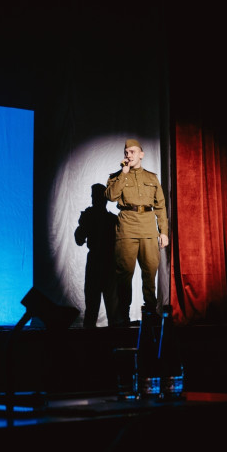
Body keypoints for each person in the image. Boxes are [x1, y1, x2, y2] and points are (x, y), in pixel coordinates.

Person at [104, 139, 169, 326]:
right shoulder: (117, 176)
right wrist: (123, 174)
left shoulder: (151, 178)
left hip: (148, 229)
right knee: (124, 276)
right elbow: (111, 196)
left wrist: (163, 232)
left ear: (141, 154)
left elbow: (160, 206)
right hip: (127, 229)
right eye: (126, 152)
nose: (129, 155)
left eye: (132, 151)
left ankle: (151, 315)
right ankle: (123, 316)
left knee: (150, 274)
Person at [74, 183, 119, 327]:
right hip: (107, 263)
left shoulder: (103, 218)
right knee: (108, 310)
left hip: (99, 263)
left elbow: (79, 240)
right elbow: (79, 239)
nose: (93, 200)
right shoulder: (112, 219)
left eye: (95, 197)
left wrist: (84, 223)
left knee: (95, 309)